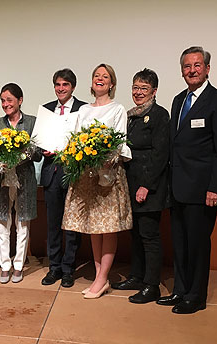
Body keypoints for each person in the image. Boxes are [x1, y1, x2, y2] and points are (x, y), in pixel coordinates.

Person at [157, 47, 217, 314]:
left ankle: (196, 297)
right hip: (178, 188)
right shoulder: (179, 100)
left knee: (198, 245)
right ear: (182, 71)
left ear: (207, 69)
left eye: (197, 65)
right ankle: (180, 290)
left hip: (203, 190)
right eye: (187, 66)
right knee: (179, 243)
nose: (192, 70)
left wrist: (216, 187)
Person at [62, 63, 132, 299]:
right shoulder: (83, 111)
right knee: (93, 226)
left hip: (108, 175)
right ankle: (100, 277)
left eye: (105, 76)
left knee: (108, 227)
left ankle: (102, 278)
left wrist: (105, 160)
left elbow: (120, 142)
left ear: (111, 83)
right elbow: (76, 139)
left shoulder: (118, 109)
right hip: (85, 175)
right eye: (96, 75)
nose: (100, 79)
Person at [111, 68, 170, 304]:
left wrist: (146, 185)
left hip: (149, 187)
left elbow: (160, 154)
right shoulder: (131, 116)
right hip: (130, 184)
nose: (138, 92)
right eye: (135, 87)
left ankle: (152, 285)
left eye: (143, 88)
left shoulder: (159, 115)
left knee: (149, 236)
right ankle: (137, 276)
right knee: (135, 235)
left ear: (154, 91)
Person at [0, 83, 41, 284]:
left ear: (20, 100)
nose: (5, 104)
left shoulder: (32, 122)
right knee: (2, 221)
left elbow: (38, 154)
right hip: (1, 179)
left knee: (22, 222)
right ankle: (4, 265)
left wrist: (25, 152)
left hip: (24, 179)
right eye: (2, 100)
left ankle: (18, 265)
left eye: (9, 100)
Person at [41, 68, 86, 288]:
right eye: (58, 85)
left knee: (71, 227)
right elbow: (39, 141)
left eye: (65, 85)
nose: (61, 89)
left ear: (73, 87)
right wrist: (44, 149)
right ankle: (54, 268)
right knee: (52, 226)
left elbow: (87, 141)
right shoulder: (47, 110)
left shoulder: (83, 109)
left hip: (72, 175)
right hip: (51, 174)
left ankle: (68, 269)